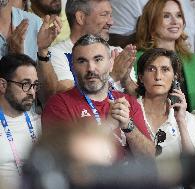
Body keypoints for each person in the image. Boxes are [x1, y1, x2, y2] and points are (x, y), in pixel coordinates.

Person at [42, 34, 155, 159]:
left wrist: (129, 126)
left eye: (98, 59)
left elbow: (149, 157)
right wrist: (108, 126)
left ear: (111, 64)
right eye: (82, 61)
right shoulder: (58, 105)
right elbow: (65, 161)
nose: (91, 68)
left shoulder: (128, 101)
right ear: (72, 67)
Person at [49, 0, 137, 93]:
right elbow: (68, 98)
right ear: (81, 17)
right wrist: (113, 77)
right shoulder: (56, 54)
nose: (111, 22)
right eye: (104, 14)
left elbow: (138, 100)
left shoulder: (117, 52)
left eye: (110, 15)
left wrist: (126, 80)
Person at [134, 0, 195, 112]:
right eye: (166, 16)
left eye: (179, 15)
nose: (175, 21)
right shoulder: (135, 60)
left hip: (192, 125)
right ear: (152, 23)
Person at [136, 48, 195, 159]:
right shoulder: (128, 111)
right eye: (151, 69)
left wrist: (180, 121)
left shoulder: (187, 119)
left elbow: (193, 163)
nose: (158, 76)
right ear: (141, 77)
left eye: (165, 69)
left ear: (175, 77)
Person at [0, 54, 41, 189]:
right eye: (25, 84)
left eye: (34, 85)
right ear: (3, 85)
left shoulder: (40, 123)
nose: (32, 92)